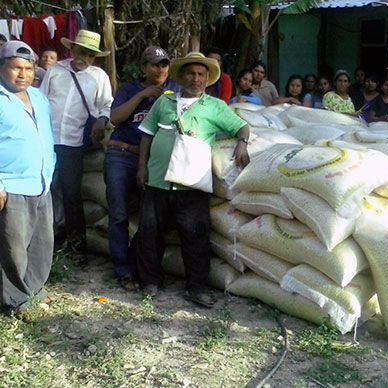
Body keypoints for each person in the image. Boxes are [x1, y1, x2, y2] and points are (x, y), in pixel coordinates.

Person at [136, 52, 250, 307]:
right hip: (157, 179)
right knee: (150, 232)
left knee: (195, 236)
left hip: (191, 183)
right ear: (181, 76)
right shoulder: (164, 103)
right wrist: (141, 167)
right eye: (191, 73)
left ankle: (196, 287)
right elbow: (146, 135)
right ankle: (150, 281)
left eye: (201, 74)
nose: (196, 78)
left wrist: (242, 143)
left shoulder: (215, 106)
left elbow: (242, 126)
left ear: (208, 79)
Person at [106, 46, 178, 291]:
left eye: (164, 64)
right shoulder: (129, 89)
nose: (160, 69)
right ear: (143, 68)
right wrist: (143, 95)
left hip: (152, 161)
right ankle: (122, 269)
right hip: (120, 154)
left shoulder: (174, 93)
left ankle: (136, 263)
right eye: (154, 64)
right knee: (118, 215)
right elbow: (114, 119)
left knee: (153, 217)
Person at [40, 29, 113, 260]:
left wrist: (101, 121)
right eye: (83, 52)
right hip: (46, 140)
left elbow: (106, 105)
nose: (86, 58)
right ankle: (45, 241)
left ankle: (76, 246)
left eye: (91, 55)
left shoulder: (98, 76)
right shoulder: (55, 71)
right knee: (45, 190)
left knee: (71, 193)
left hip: (73, 142)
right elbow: (40, 101)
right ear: (72, 49)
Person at [0, 41, 56, 313]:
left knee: (42, 242)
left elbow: (46, 135)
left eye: (28, 68)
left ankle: (35, 287)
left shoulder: (39, 98)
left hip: (41, 181)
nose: (22, 74)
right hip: (12, 183)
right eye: (15, 68)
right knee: (14, 246)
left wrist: (51, 167)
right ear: (2, 68)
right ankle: (15, 299)